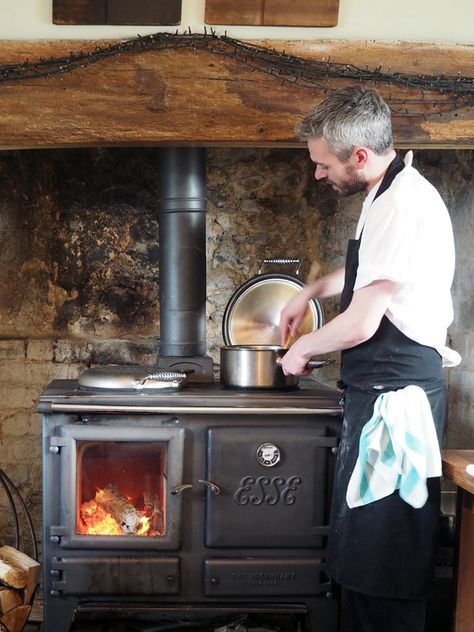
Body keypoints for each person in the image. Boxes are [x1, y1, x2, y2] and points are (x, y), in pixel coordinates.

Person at [279, 86, 461, 632]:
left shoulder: (404, 205)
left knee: (384, 561)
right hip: (380, 394)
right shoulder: (384, 193)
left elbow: (362, 323)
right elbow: (366, 275)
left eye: (322, 163)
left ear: (358, 156)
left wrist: (300, 351)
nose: (317, 174)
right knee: (364, 555)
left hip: (397, 401)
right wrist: (310, 290)